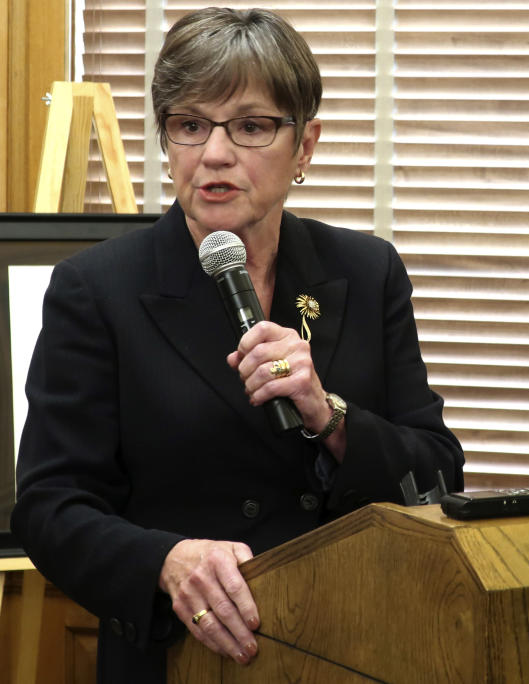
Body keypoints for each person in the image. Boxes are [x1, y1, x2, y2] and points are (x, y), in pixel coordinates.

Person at [11, 8, 463, 682]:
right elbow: (49, 509)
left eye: (251, 127)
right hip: (181, 656)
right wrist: (165, 562)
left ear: (305, 146)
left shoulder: (368, 274)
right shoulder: (97, 290)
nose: (215, 154)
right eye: (190, 125)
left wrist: (330, 417)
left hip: (351, 648)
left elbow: (438, 475)